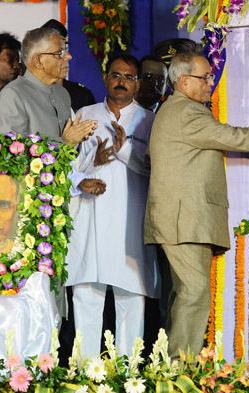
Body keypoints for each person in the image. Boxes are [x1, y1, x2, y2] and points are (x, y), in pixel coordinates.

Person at [144, 51, 249, 357]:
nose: (210, 84)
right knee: (194, 293)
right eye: (205, 78)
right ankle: (178, 372)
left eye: (210, 77)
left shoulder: (174, 110)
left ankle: (173, 367)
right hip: (183, 219)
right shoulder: (186, 112)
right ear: (184, 81)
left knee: (186, 293)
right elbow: (232, 136)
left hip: (182, 218)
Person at [65, 54, 159, 358]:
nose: (121, 82)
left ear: (138, 83)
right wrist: (93, 162)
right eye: (116, 75)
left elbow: (156, 168)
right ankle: (85, 373)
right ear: (106, 77)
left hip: (130, 220)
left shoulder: (148, 120)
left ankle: (129, 373)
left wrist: (124, 150)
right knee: (87, 295)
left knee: (131, 297)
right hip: (90, 218)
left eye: (129, 77)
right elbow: (65, 164)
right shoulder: (85, 114)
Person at [0, 27, 105, 195]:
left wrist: (77, 140)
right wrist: (65, 142)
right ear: (38, 61)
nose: (68, 57)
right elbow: (11, 157)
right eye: (59, 53)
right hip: (26, 201)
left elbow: (67, 155)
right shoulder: (13, 94)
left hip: (59, 198)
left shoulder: (61, 94)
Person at [40, 19, 96, 112]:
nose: (68, 57)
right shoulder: (25, 94)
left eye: (65, 50)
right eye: (59, 52)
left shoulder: (81, 94)